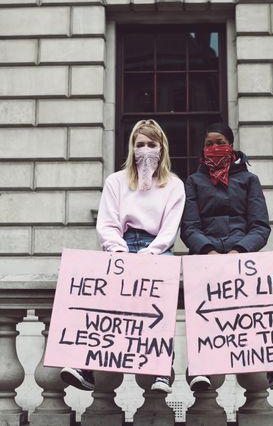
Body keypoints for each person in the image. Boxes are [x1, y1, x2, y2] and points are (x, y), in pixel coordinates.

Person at [61, 119, 185, 394]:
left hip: (157, 248)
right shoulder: (115, 181)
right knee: (101, 302)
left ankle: (163, 368)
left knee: (158, 306)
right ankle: (85, 365)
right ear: (132, 148)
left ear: (162, 148)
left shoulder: (174, 185)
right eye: (140, 144)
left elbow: (169, 229)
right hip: (121, 245)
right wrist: (120, 252)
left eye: (151, 144)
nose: (145, 150)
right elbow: (107, 223)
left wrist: (149, 253)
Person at [180, 122, 273, 391]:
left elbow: (260, 226)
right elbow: (189, 227)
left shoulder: (249, 180)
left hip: (241, 255)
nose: (213, 148)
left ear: (230, 144)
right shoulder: (194, 181)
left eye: (218, 142)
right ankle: (199, 366)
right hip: (206, 256)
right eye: (208, 144)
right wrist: (208, 251)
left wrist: (238, 251)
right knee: (204, 311)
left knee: (256, 313)